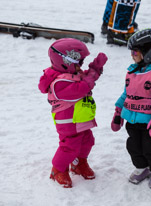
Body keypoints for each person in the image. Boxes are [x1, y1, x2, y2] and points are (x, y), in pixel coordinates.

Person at [38, 38, 108, 188]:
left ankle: (79, 164)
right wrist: (91, 75)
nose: (81, 66)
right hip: (67, 122)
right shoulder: (58, 82)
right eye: (79, 62)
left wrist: (95, 68)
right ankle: (58, 169)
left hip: (80, 118)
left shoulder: (73, 73)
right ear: (65, 61)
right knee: (69, 146)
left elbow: (87, 79)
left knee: (87, 141)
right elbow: (82, 88)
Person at [111, 28, 151, 190]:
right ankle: (143, 167)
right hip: (132, 119)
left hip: (150, 121)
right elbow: (126, 94)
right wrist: (118, 111)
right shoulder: (132, 72)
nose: (132, 54)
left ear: (150, 52)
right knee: (133, 145)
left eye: (135, 51)